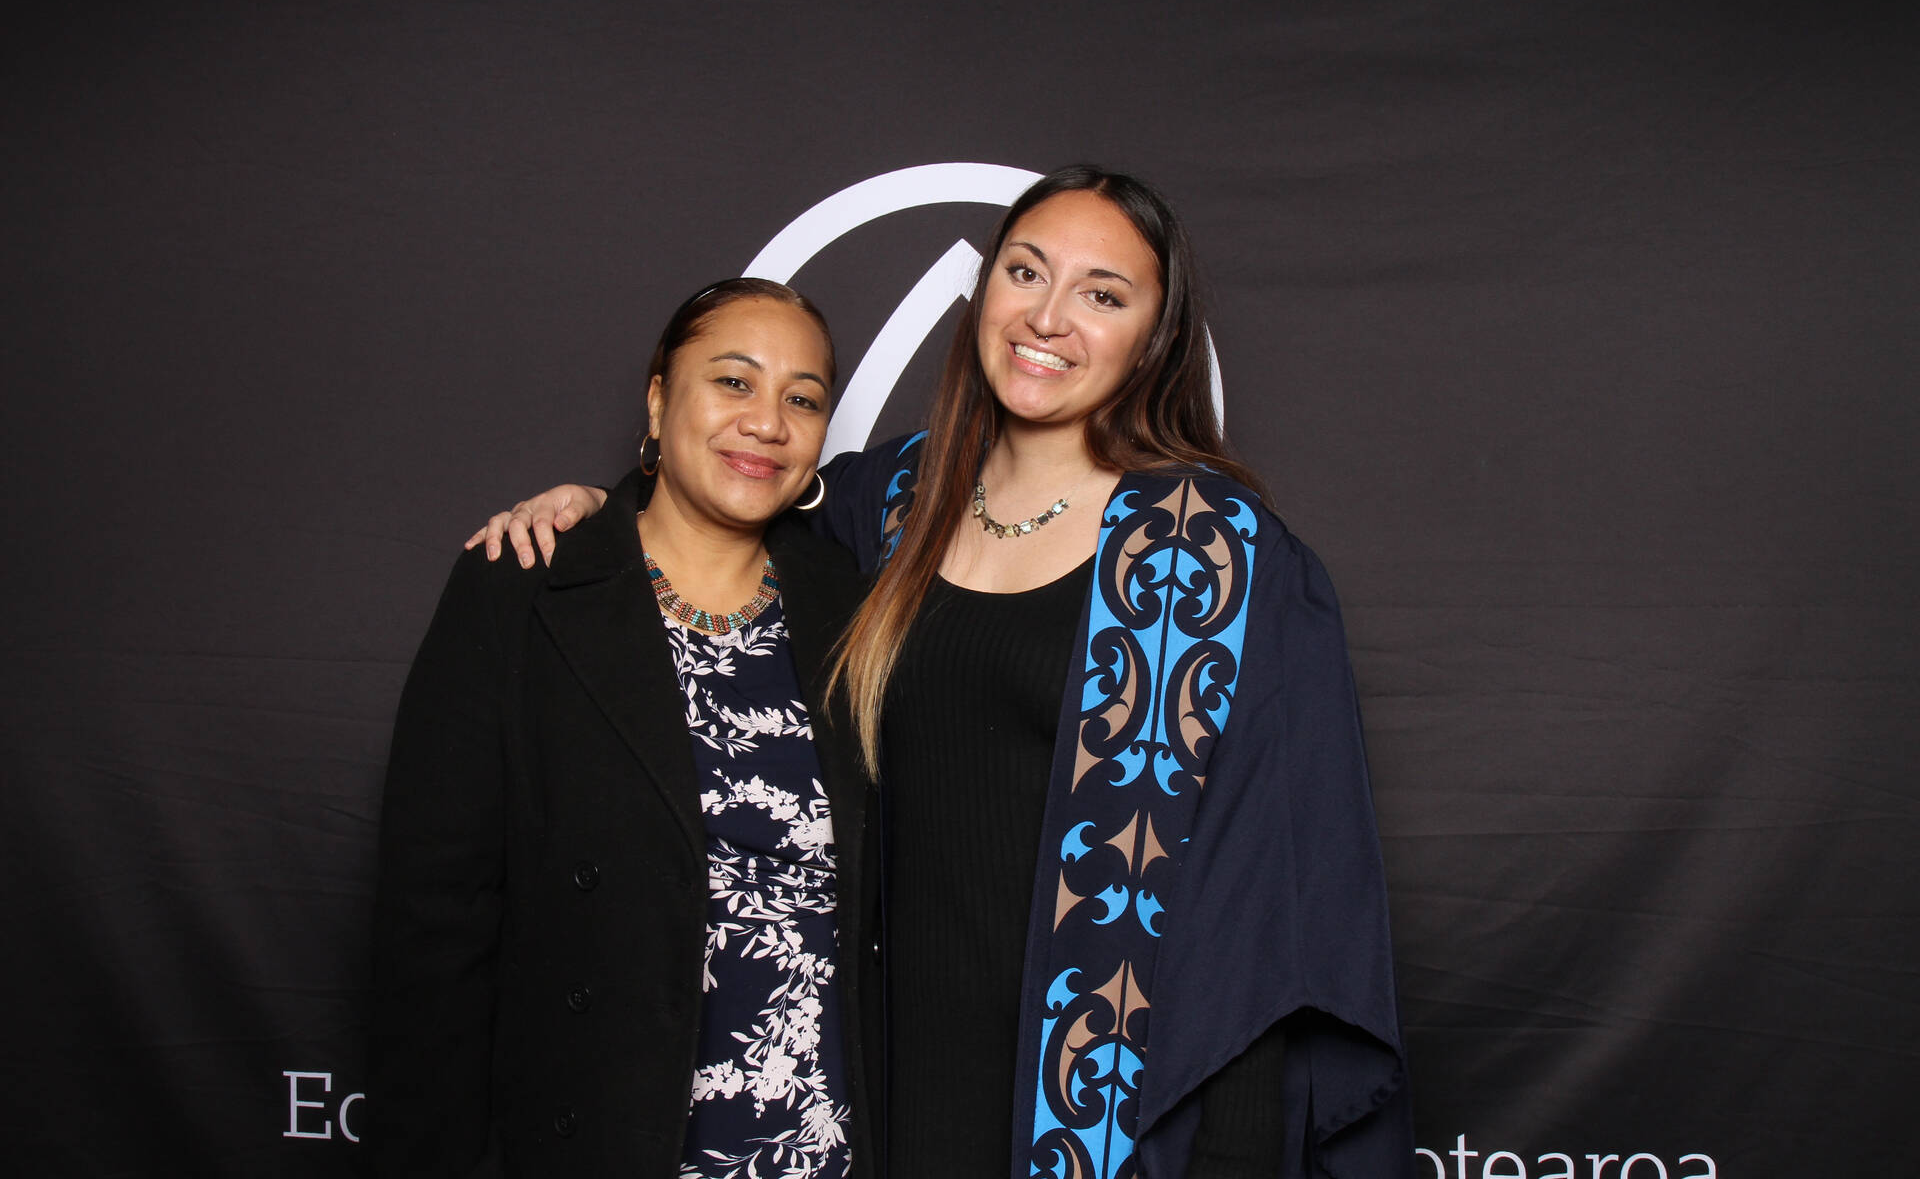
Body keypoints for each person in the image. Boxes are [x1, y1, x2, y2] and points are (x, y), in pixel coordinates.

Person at [473, 167, 1412, 1178]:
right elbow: (724, 495)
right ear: (985, 291)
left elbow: (1276, 914)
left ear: (1156, 336)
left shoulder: (1220, 557)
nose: (1047, 317)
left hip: (1111, 1106)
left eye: (1103, 294)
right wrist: (602, 508)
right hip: (889, 1086)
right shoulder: (890, 500)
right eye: (1026, 272)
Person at [367, 279, 879, 1179]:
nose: (767, 422)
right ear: (657, 401)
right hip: (602, 1138)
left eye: (802, 399)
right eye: (733, 381)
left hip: (818, 1146)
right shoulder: (524, 586)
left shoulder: (857, 608)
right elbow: (433, 925)